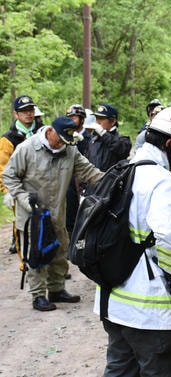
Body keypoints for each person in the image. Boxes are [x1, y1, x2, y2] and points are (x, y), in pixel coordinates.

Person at [95, 107, 171, 377]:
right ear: (170, 144)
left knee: (120, 371)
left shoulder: (123, 169)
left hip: (114, 303)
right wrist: (170, 274)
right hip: (149, 311)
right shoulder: (160, 179)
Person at [3, 116, 104, 311]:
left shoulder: (69, 150)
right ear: (50, 131)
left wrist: (113, 179)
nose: (62, 145)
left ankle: (57, 289)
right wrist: (24, 200)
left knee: (60, 251)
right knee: (37, 254)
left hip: (57, 213)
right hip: (33, 216)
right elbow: (9, 176)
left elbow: (89, 172)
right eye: (60, 140)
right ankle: (38, 295)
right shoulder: (27, 149)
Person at [0, 95, 43, 254]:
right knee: (22, 226)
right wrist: (7, 191)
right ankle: (25, 262)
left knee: (47, 224)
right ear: (16, 114)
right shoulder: (8, 139)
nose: (28, 114)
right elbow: (2, 167)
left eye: (30, 110)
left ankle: (46, 262)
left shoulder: (42, 132)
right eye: (24, 111)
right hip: (20, 188)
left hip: (43, 186)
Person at [65, 104, 92, 237]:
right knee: (68, 212)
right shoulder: (64, 137)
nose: (71, 120)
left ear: (82, 119)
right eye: (69, 117)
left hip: (83, 180)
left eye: (74, 117)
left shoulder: (90, 138)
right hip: (68, 180)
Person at [84, 103, 131, 172]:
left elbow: (121, 149)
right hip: (92, 180)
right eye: (96, 118)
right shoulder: (93, 140)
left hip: (111, 181)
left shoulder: (123, 140)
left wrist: (103, 133)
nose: (97, 122)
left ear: (113, 121)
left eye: (101, 118)